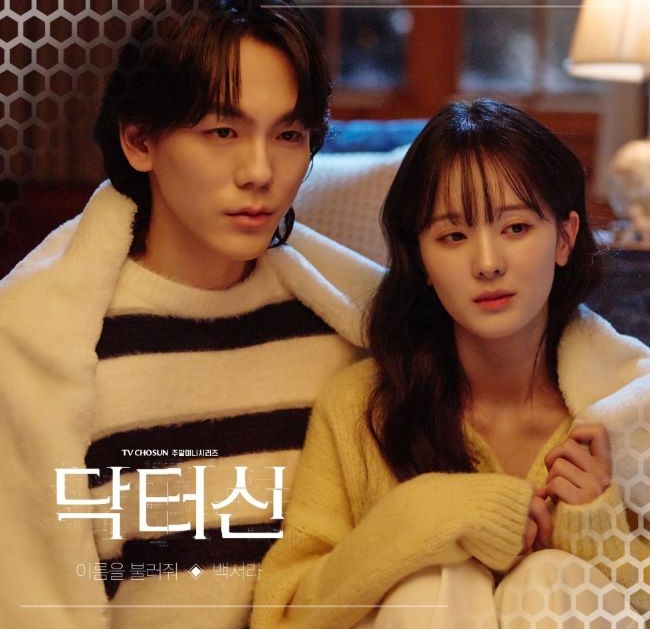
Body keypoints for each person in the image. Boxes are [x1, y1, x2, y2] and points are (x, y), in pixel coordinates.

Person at [0, 0, 382, 629]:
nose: (259, 171)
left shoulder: (347, 330)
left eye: (289, 135)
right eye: (222, 131)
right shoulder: (48, 346)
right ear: (139, 141)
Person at [252, 99, 650, 628]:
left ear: (565, 237)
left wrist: (596, 529)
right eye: (453, 236)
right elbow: (283, 617)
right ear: (421, 261)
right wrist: (421, 516)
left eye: (515, 228)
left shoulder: (631, 411)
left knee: (550, 576)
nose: (487, 263)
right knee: (434, 580)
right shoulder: (361, 408)